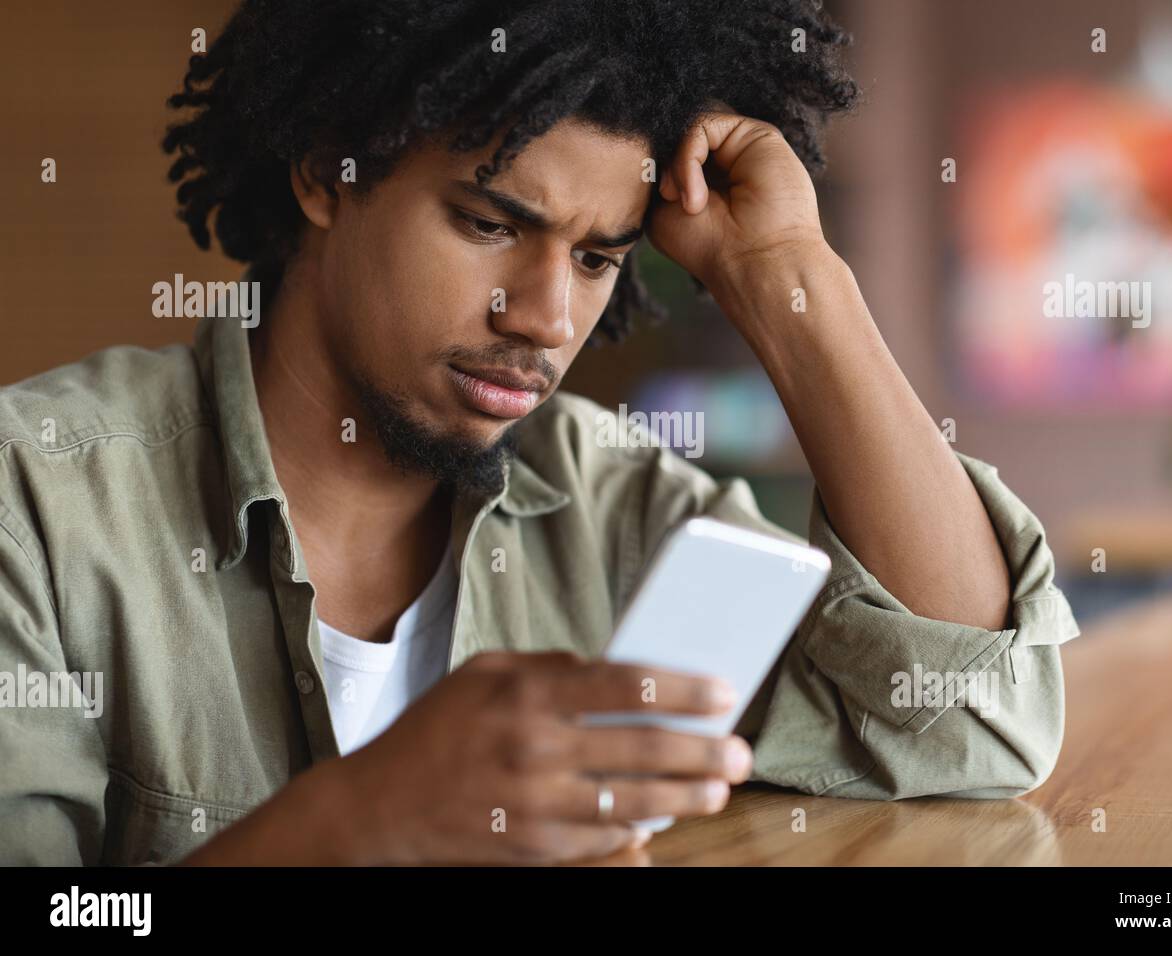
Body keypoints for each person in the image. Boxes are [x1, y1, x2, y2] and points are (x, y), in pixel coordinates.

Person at [0, 0, 1079, 865]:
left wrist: (788, 275)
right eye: (488, 224)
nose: (549, 317)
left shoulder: (610, 505)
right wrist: (362, 819)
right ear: (325, 175)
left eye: (598, 256)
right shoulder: (39, 502)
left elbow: (972, 726)